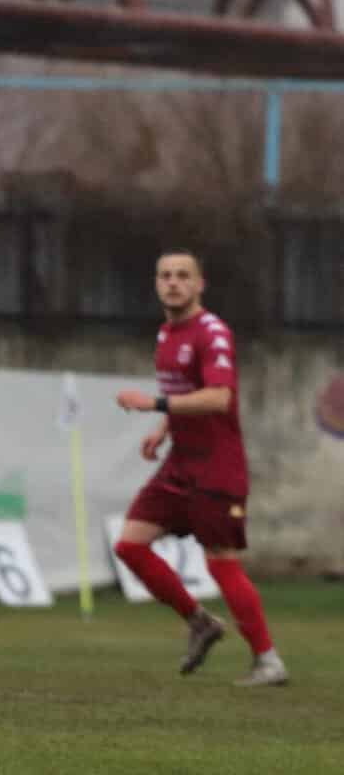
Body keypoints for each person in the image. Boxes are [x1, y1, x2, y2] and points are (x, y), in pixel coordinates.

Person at [111, 250, 287, 687]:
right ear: (156, 283)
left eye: (182, 276)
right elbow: (189, 392)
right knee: (130, 545)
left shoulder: (212, 332)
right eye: (166, 275)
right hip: (180, 464)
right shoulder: (167, 334)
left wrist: (154, 403)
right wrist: (164, 427)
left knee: (221, 563)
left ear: (199, 284)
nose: (173, 282)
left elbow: (219, 397)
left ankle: (268, 660)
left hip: (216, 468)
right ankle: (200, 622)